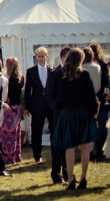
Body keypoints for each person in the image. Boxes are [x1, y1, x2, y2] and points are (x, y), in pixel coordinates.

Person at [50, 48, 98, 190]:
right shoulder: (84, 74)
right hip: (83, 112)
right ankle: (83, 178)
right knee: (84, 147)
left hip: (67, 112)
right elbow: (91, 95)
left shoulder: (59, 74)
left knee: (69, 147)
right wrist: (94, 112)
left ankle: (70, 179)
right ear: (81, 59)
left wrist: (61, 103)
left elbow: (53, 94)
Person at [45, 47, 70, 185]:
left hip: (69, 113)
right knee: (57, 146)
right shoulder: (55, 73)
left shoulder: (73, 73)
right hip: (58, 114)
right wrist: (57, 108)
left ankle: (68, 173)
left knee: (68, 145)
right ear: (63, 58)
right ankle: (56, 175)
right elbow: (49, 95)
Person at [25, 46, 54, 164]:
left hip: (50, 105)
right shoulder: (31, 71)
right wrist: (27, 107)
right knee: (36, 131)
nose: (41, 59)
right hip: (36, 105)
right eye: (39, 56)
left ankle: (55, 152)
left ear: (47, 57)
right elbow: (27, 90)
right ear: (36, 57)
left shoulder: (53, 70)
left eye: (43, 56)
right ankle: (37, 155)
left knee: (54, 129)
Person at [0, 57, 24, 165]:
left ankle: (8, 157)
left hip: (9, 108)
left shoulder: (8, 79)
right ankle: (16, 155)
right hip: (17, 107)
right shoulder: (20, 78)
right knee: (16, 133)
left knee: (7, 134)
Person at [90, 40, 110, 159]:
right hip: (90, 100)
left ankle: (101, 150)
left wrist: (99, 95)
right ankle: (92, 150)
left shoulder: (102, 64)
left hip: (102, 100)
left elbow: (105, 83)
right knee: (93, 126)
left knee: (101, 126)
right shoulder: (85, 64)